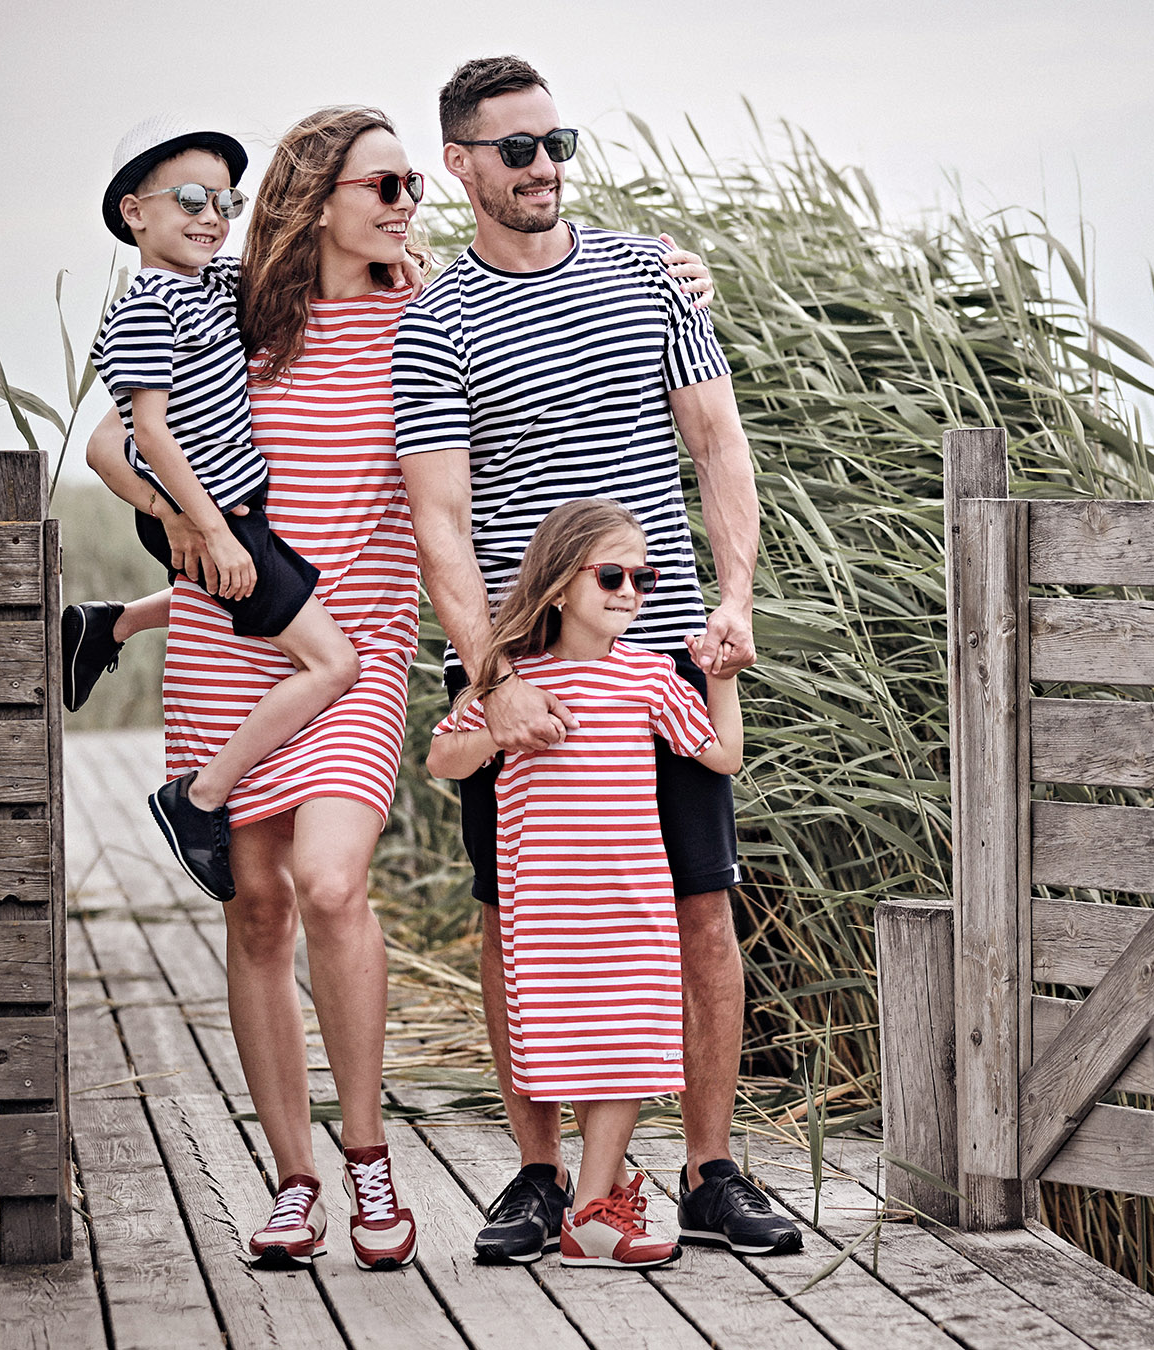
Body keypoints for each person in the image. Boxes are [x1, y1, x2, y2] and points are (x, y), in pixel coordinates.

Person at [393, 55, 803, 1262]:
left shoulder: (649, 274)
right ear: (461, 163)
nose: (545, 168)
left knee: (701, 908)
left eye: (557, 143)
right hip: (520, 673)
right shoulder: (437, 320)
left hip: (660, 653)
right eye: (517, 149)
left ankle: (709, 1172)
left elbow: (718, 445)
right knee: (512, 917)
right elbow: (440, 527)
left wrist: (733, 600)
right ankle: (540, 1178)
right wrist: (494, 680)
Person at [82, 108, 429, 1271]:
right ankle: (293, 1182)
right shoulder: (240, 314)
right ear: (318, 198)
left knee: (331, 883)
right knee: (259, 908)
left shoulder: (428, 313)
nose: (404, 204)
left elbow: (543, 288)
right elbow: (113, 445)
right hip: (230, 639)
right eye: (383, 184)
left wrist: (671, 270)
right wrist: (183, 523)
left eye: (413, 184)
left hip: (356, 646)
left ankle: (369, 1156)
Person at [429, 500, 743, 1269]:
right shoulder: (511, 682)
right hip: (546, 910)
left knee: (631, 1044)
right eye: (611, 576)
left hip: (636, 905)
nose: (631, 591)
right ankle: (578, 1197)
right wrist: (498, 725)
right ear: (560, 584)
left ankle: (593, 1208)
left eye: (644, 577)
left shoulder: (650, 676)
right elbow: (442, 759)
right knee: (569, 1041)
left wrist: (721, 679)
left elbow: (722, 755)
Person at [83, 115, 362, 904]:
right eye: (190, 200)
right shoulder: (147, 306)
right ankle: (199, 797)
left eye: (225, 202)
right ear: (135, 212)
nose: (212, 216)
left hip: (230, 512)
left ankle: (108, 624)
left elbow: (297, 263)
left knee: (250, 597)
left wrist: (404, 259)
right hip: (216, 517)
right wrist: (205, 527)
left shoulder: (212, 283)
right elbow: (146, 431)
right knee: (333, 663)